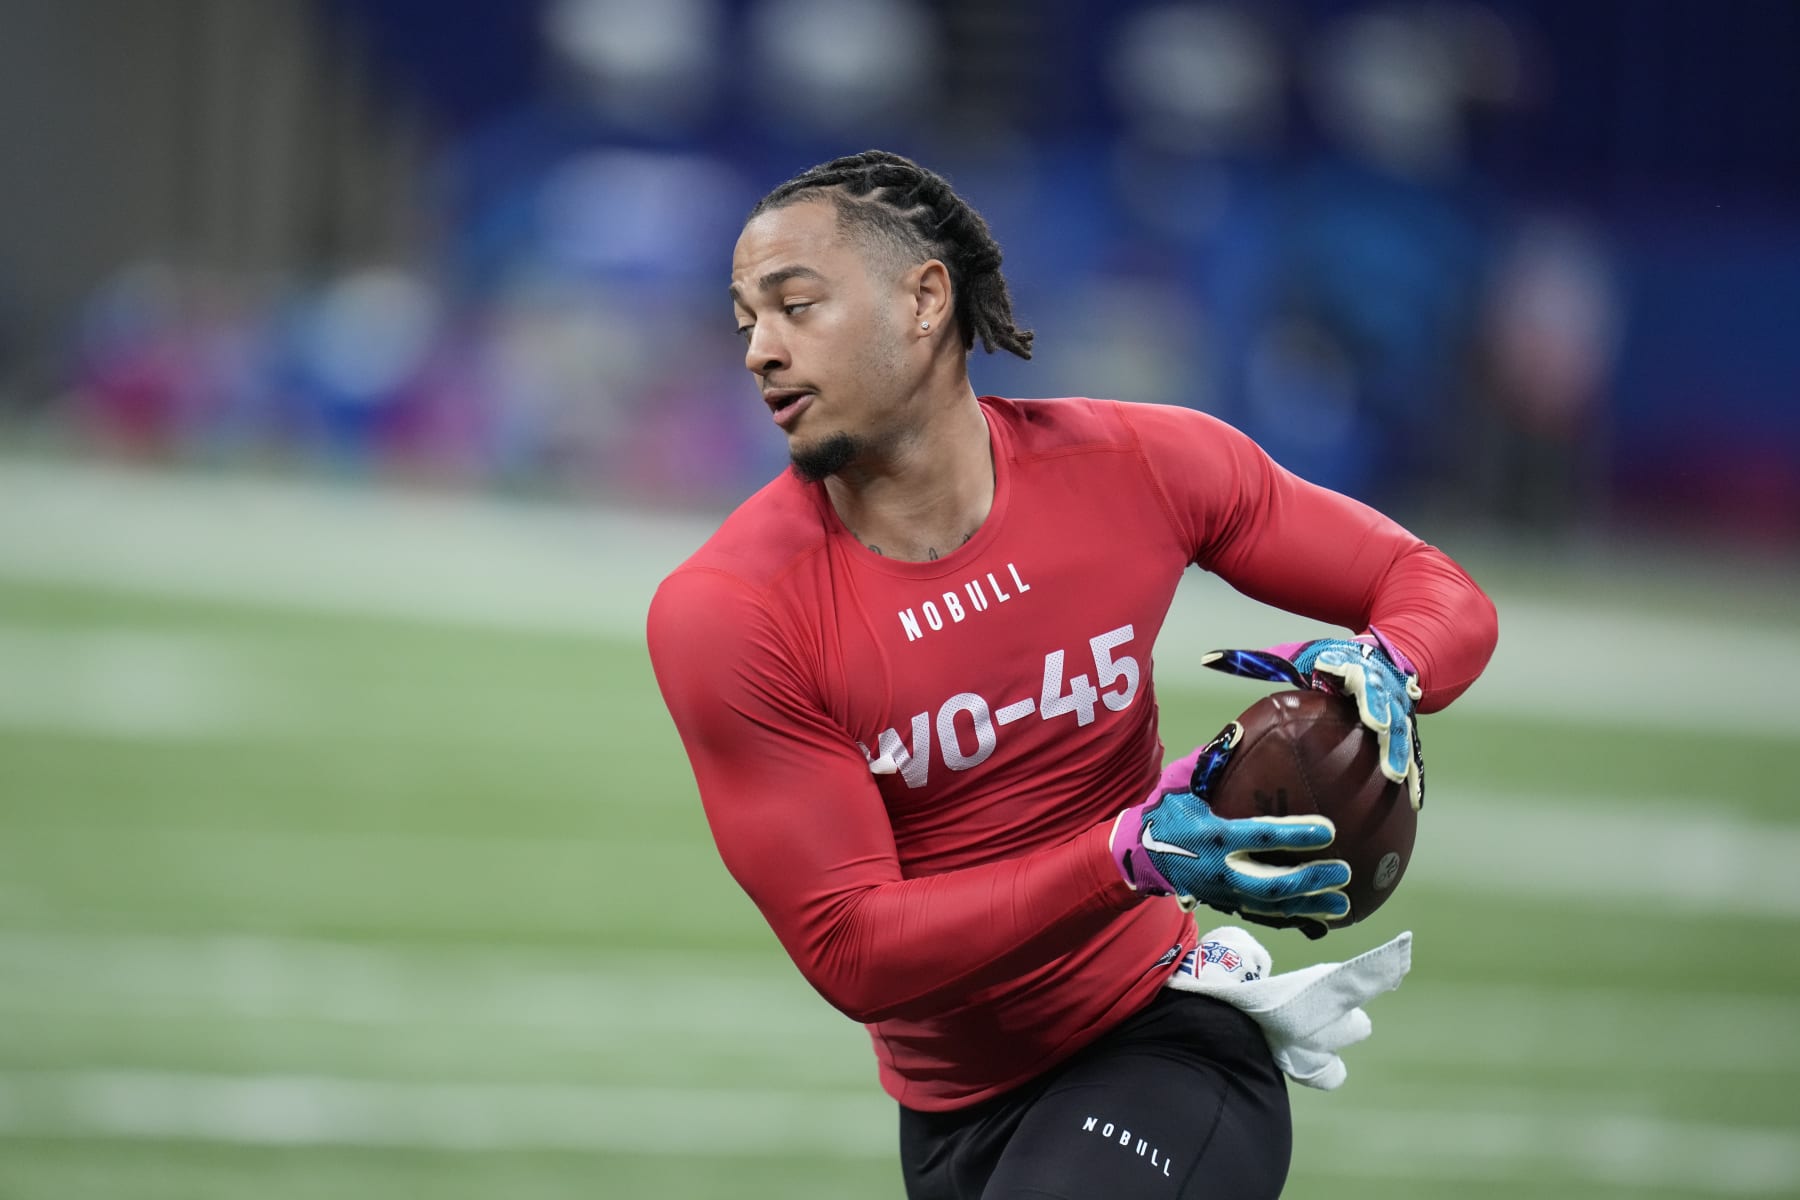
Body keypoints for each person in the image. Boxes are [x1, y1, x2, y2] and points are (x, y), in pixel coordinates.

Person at [646, 150, 1498, 1199]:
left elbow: (1435, 590)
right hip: (951, 1117)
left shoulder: (1138, 468)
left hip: (1159, 1043)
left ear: (924, 299)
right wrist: (1128, 855)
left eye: (795, 307)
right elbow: (852, 949)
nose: (760, 353)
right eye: (746, 323)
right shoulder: (730, 609)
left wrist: (1388, 667)